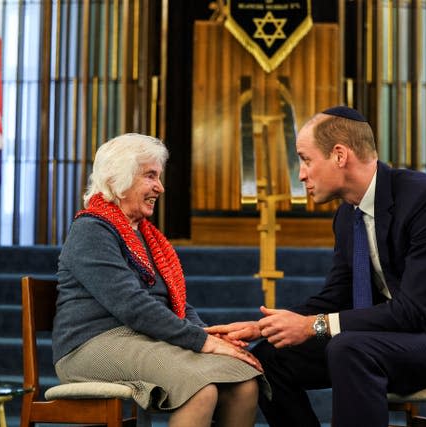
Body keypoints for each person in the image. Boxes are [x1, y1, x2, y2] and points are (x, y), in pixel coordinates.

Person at [206, 106, 426, 427]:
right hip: (396, 341)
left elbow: (413, 311)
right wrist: (264, 328)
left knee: (350, 348)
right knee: (271, 357)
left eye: (306, 159)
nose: (301, 174)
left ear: (339, 155)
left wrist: (315, 326)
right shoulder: (347, 216)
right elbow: (336, 297)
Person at [52, 133, 268, 427]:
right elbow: (134, 307)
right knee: (198, 388)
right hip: (91, 345)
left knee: (243, 383)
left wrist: (208, 333)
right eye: (150, 176)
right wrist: (202, 341)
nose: (160, 187)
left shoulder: (146, 236)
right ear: (119, 179)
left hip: (142, 337)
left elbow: (173, 301)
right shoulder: (91, 230)